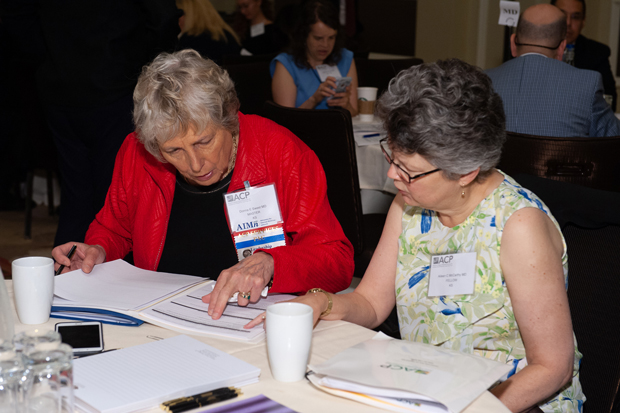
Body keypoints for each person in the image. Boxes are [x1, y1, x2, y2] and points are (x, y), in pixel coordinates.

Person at [249, 59, 586, 412]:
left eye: (409, 171)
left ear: (465, 172)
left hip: (509, 402)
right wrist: (322, 301)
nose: (393, 175)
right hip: (425, 388)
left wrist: (468, 408)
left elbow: (553, 367)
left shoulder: (518, 226)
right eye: (391, 157)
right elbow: (371, 304)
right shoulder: (409, 205)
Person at [52, 50, 354, 321]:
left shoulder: (282, 153)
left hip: (253, 323)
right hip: (163, 318)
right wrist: (97, 250)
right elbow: (114, 228)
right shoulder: (136, 152)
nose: (195, 165)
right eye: (174, 151)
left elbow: (337, 261)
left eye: (204, 142)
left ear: (229, 118)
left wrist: (271, 263)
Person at [1, 0, 181, 246]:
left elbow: (16, 13)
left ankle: (68, 273)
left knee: (78, 194)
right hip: (115, 83)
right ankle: (105, 273)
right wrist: (145, 65)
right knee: (116, 195)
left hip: (62, 84)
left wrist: (49, 57)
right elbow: (164, 16)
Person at [486, 4, 620, 137]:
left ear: (512, 44)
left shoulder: (483, 82)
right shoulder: (588, 84)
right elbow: (614, 139)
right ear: (562, 48)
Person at [270, 0, 358, 116]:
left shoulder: (345, 58)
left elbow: (355, 115)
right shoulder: (286, 64)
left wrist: (346, 106)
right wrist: (314, 100)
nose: (325, 45)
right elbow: (285, 122)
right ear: (304, 35)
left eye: (331, 38)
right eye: (318, 38)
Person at [551, 0, 617, 111]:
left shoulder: (597, 53)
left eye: (575, 17)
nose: (568, 23)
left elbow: (609, 100)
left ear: (583, 21)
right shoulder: (536, 48)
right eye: (562, 15)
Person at [176, 0, 241, 65]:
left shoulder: (189, 40)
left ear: (189, 15)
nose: (176, 20)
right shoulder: (227, 34)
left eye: (179, 15)